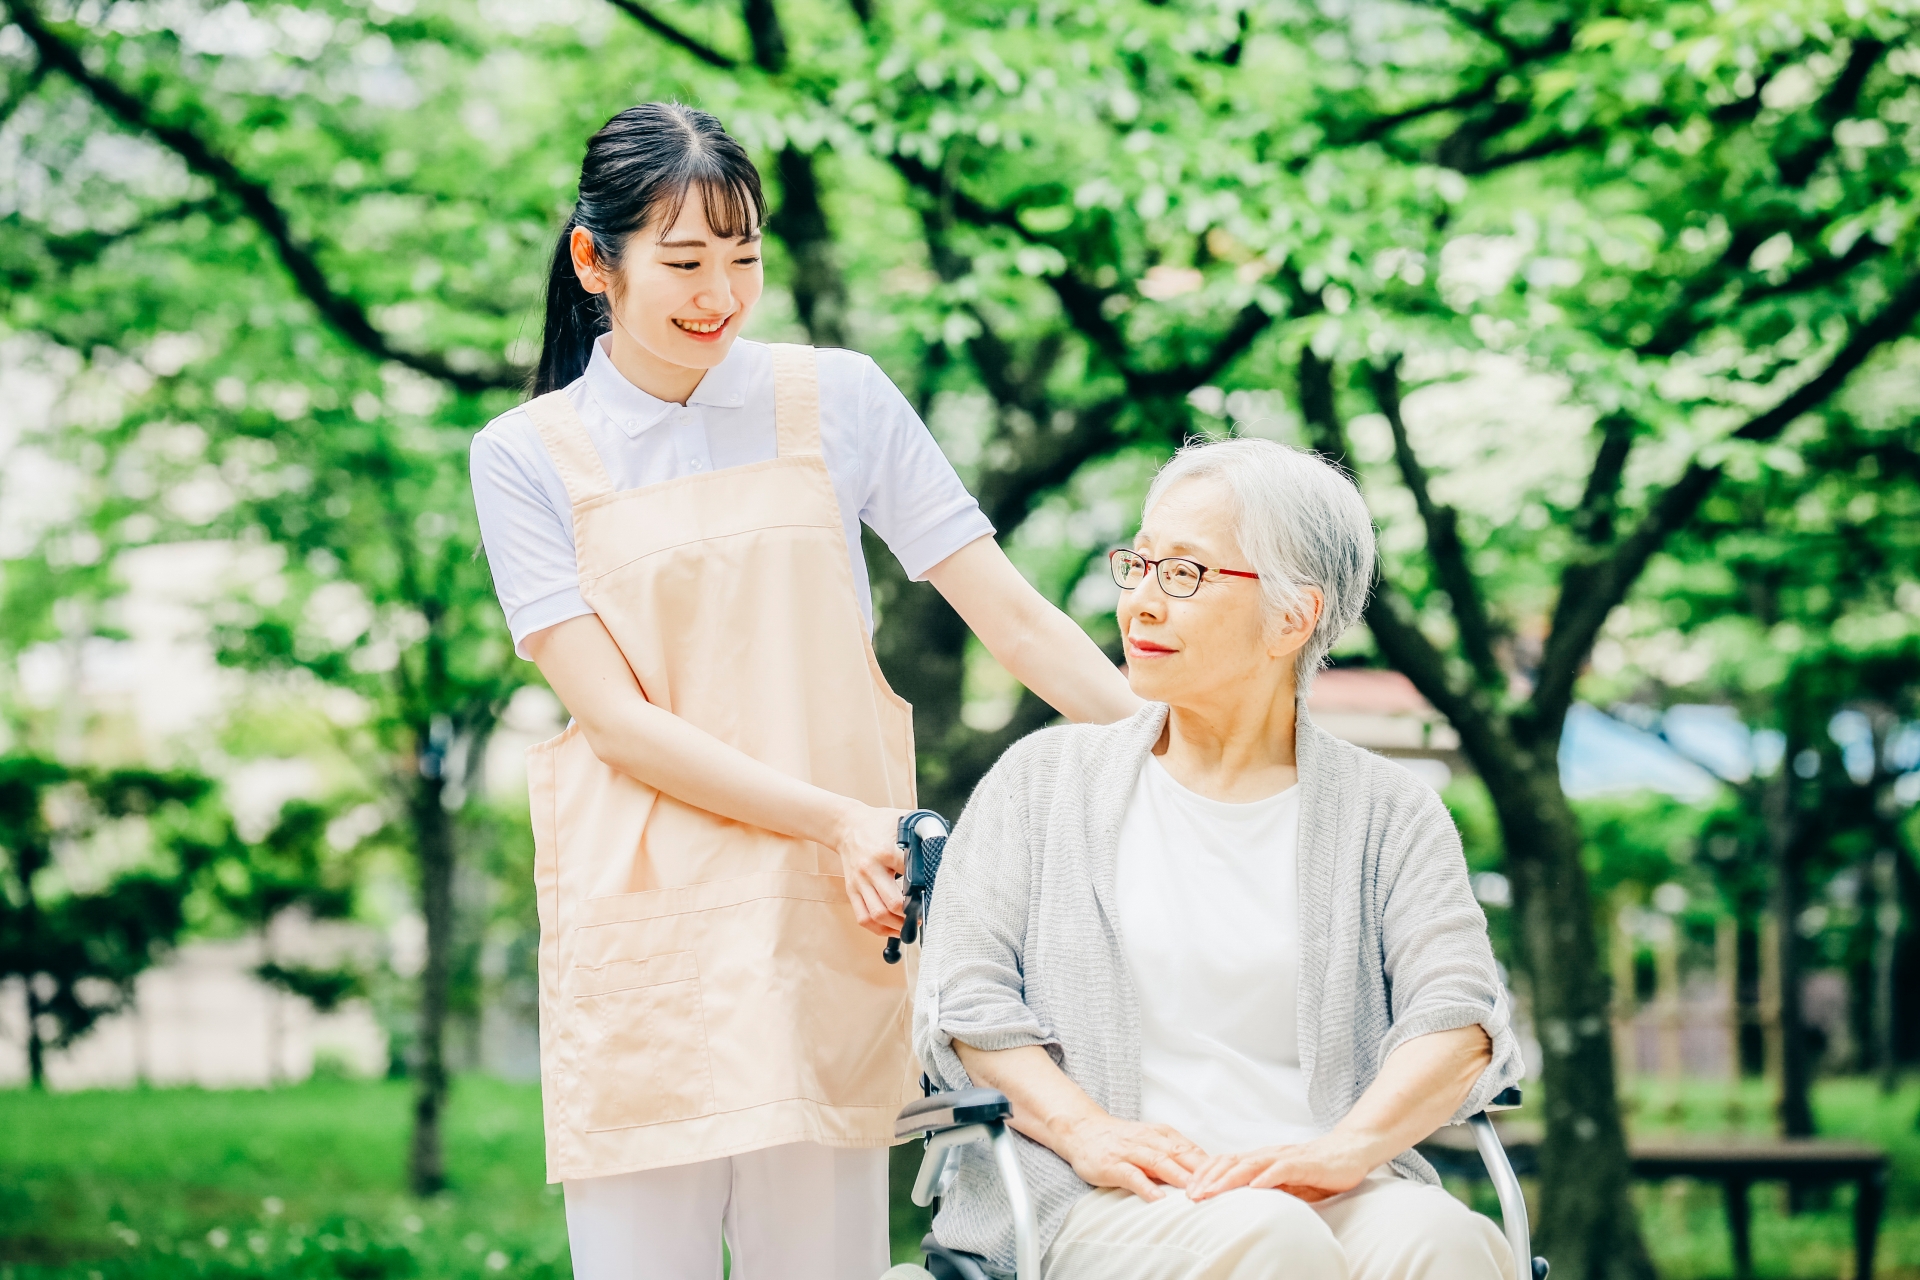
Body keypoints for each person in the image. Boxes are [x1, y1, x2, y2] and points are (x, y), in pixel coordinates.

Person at [469, 103, 1138, 1280]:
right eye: (683, 261)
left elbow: (1013, 613)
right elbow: (619, 721)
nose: (718, 293)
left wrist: (1194, 752)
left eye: (744, 257)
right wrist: (840, 816)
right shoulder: (526, 454)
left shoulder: (839, 397)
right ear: (595, 260)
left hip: (832, 913)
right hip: (655, 925)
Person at [912, 437, 1524, 1280]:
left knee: (1447, 1243)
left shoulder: (1392, 815)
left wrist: (1348, 1151)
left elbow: (1458, 1018)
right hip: (1099, 1199)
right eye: (1140, 564)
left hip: (1321, 1187)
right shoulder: (1042, 783)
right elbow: (965, 997)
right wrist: (1086, 1130)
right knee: (1270, 1241)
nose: (1140, 605)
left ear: (1292, 616)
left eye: (1186, 574)